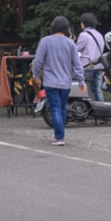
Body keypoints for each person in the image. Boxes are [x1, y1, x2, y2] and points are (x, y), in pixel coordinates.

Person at [32, 16, 85, 146]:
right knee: (62, 107)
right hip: (66, 82)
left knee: (54, 108)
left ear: (53, 27)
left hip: (50, 81)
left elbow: (38, 61)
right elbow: (77, 64)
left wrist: (35, 75)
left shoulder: (45, 41)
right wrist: (81, 81)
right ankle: (60, 134)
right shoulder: (70, 43)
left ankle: (59, 136)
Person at [75, 12, 105, 102]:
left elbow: (76, 50)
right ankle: (101, 109)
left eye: (81, 22)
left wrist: (72, 42)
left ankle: (83, 108)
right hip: (99, 66)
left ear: (84, 23)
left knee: (82, 87)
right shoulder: (99, 34)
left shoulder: (83, 35)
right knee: (98, 89)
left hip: (88, 66)